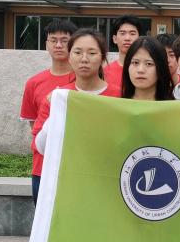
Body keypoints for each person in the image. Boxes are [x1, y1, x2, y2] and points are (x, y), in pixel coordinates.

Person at [33, 29, 119, 157]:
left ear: (102, 58)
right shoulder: (57, 98)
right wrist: (57, 109)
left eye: (92, 53)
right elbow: (40, 147)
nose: (84, 59)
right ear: (69, 57)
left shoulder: (120, 97)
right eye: (77, 52)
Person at [20, 19, 77, 203]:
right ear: (46, 44)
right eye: (53, 40)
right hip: (42, 166)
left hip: (75, 166)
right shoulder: (34, 83)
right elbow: (34, 126)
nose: (58, 45)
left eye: (64, 40)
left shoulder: (84, 81)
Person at [121, 36, 175, 101]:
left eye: (149, 64)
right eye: (135, 63)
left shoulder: (174, 106)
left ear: (161, 67)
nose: (140, 70)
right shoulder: (116, 105)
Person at [105, 15, 143, 95]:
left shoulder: (147, 70)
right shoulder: (105, 72)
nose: (127, 38)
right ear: (114, 39)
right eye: (122, 33)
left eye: (132, 34)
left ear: (140, 38)